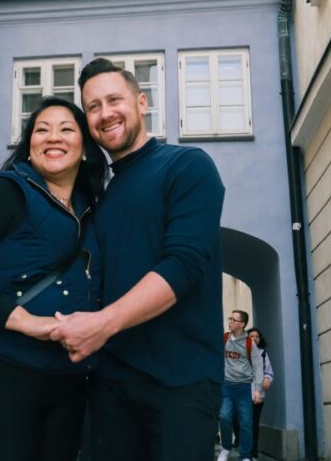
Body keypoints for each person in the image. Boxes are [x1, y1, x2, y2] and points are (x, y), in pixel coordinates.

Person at [50, 57, 226, 461]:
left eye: (114, 100)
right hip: (110, 385)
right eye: (93, 107)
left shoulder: (187, 166)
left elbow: (182, 266)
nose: (105, 113)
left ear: (142, 102)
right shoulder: (101, 197)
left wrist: (100, 325)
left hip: (180, 383)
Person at [0, 96, 109, 461]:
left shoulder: (92, 208)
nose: (52, 137)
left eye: (65, 129)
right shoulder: (7, 191)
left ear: (85, 146)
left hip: (70, 382)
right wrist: (26, 322)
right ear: (30, 145)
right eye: (41, 130)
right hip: (3, 375)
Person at [217, 310, 264, 461]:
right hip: (226, 387)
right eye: (230, 318)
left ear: (242, 324)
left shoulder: (249, 343)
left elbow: (258, 367)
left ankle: (245, 455)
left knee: (246, 423)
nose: (230, 321)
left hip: (244, 388)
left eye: (233, 319)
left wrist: (257, 390)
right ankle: (225, 448)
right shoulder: (224, 338)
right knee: (224, 417)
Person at [248, 327, 274, 461]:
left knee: (253, 424)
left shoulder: (263, 354)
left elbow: (269, 372)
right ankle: (245, 453)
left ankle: (253, 454)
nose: (254, 338)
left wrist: (267, 379)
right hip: (243, 395)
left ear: (259, 339)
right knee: (245, 424)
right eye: (251, 336)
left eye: (256, 336)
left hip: (259, 396)